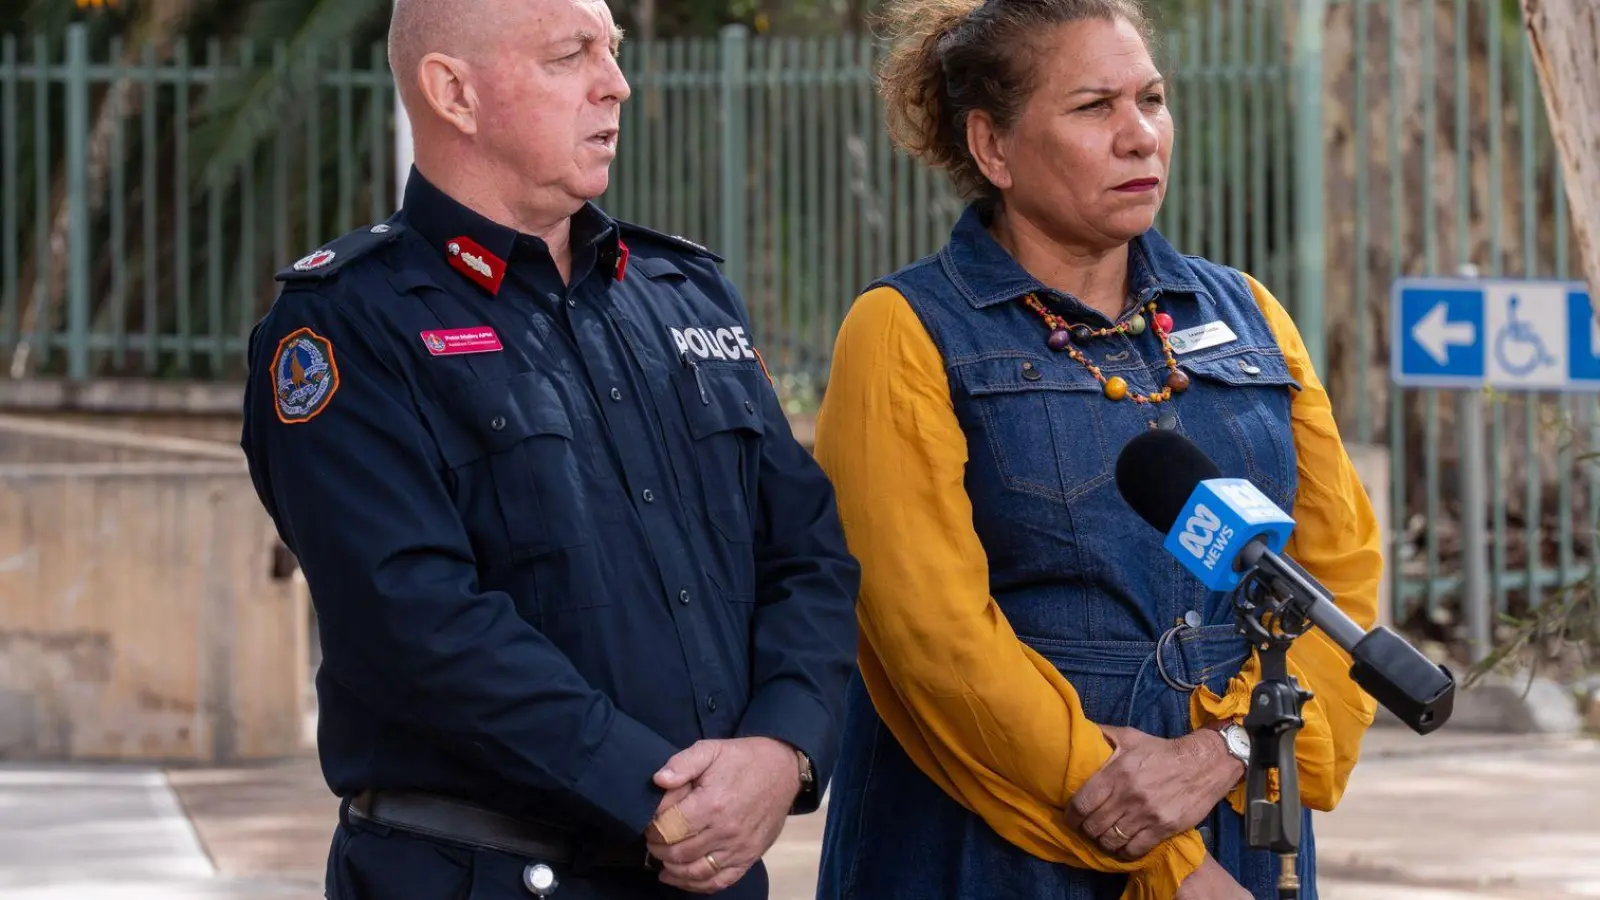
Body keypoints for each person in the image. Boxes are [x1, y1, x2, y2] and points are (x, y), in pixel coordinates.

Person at [238, 1, 860, 898]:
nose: (617, 84)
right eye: (571, 55)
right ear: (454, 92)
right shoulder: (349, 324)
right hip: (479, 874)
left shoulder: (685, 295)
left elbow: (808, 552)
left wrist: (781, 748)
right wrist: (660, 796)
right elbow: (414, 622)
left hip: (709, 871)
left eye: (613, 50)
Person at [810, 0, 1382, 898]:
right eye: (1093, 107)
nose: (1140, 135)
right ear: (993, 148)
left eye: (1151, 99)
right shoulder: (903, 330)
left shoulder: (1251, 315)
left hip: (1241, 819)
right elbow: (934, 644)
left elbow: (1338, 578)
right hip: (1000, 850)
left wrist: (1227, 749)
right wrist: (1170, 864)